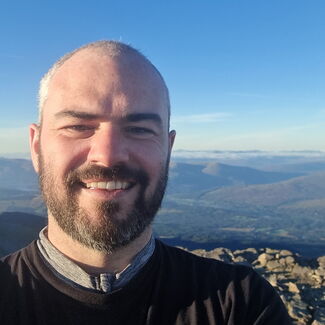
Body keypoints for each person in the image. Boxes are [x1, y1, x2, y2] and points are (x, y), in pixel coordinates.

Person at [0, 40, 292, 324]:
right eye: (77, 127)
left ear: (168, 150)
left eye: (139, 129)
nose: (109, 155)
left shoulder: (239, 303)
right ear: (36, 147)